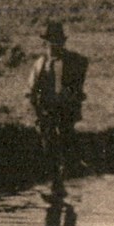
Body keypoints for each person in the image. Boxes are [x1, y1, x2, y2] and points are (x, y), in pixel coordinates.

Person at [26, 20, 88, 195]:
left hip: (65, 111)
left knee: (67, 142)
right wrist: (37, 113)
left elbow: (82, 68)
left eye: (59, 41)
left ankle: (64, 189)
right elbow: (30, 92)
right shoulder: (41, 64)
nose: (55, 45)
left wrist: (75, 95)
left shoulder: (73, 61)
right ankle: (56, 184)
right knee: (49, 146)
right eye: (52, 41)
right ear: (45, 42)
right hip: (47, 112)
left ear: (63, 42)